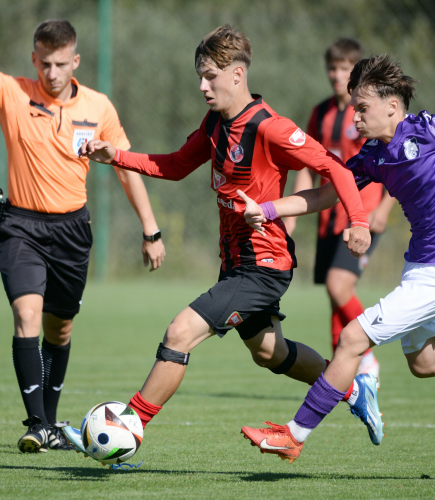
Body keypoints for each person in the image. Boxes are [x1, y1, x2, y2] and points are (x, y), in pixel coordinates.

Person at [78, 25, 380, 454]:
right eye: (200, 76)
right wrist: (117, 156)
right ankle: (351, 388)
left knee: (180, 332)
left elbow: (338, 171)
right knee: (269, 353)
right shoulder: (216, 123)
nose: (202, 86)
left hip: (265, 264)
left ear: (237, 75)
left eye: (210, 76)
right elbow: (177, 165)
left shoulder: (270, 128)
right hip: (236, 262)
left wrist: (360, 221)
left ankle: (125, 431)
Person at [0, 4, 166, 453]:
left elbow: (125, 168)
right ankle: (37, 424)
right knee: (26, 316)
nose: (52, 72)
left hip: (72, 232)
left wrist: (151, 229)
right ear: (33, 58)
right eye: (44, 62)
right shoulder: (13, 94)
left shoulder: (98, 106)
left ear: (75, 61)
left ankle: (52, 423)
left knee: (59, 331)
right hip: (20, 226)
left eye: (61, 63)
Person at [239, 54, 434, 463]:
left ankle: (293, 435)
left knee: (351, 339)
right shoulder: (372, 156)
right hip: (419, 264)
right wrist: (271, 209)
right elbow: (327, 193)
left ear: (393, 107)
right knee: (421, 361)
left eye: (362, 109)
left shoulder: (427, 129)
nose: (355, 118)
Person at [284, 39, 395, 378]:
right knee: (335, 295)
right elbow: (304, 164)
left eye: (345, 68)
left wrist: (384, 208)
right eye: (333, 68)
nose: (337, 75)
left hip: (363, 213)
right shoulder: (321, 114)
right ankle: (344, 378)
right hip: (330, 217)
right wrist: (291, 216)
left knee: (338, 285)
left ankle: (367, 358)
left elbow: (393, 157)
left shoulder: (366, 113)